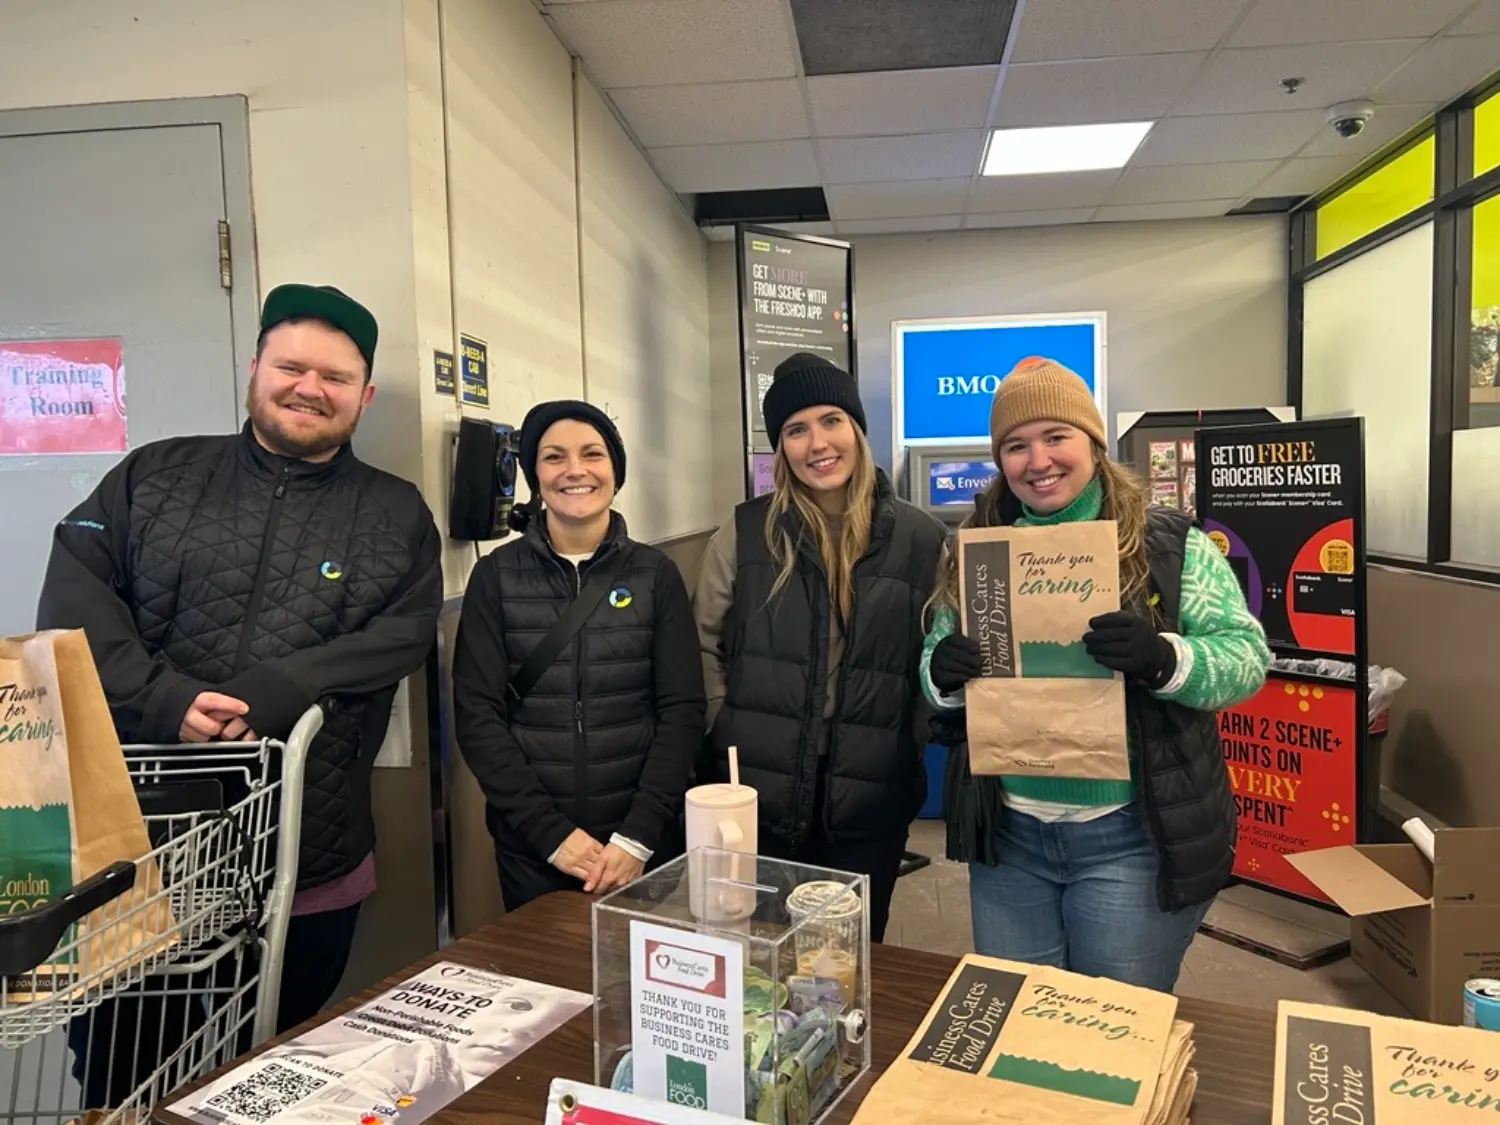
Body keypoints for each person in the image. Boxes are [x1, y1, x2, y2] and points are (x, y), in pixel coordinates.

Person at [37, 284, 442, 1098]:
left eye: (335, 377)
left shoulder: (396, 514)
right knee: (121, 1077)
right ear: (255, 366)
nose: (309, 387)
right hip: (137, 861)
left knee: (273, 1074)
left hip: (307, 856)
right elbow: (72, 597)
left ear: (362, 396)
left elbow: (403, 633)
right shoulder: (153, 476)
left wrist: (277, 688)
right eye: (292, 364)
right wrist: (163, 697)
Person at [921, 356, 1269, 991]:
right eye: (1017, 446)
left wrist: (1167, 659)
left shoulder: (1167, 544)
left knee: (1114, 1033)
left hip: (1131, 839)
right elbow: (937, 660)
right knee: (1019, 1024)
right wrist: (941, 674)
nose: (1039, 460)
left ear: (1093, 444)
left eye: (1057, 437)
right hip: (1009, 836)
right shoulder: (977, 547)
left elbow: (1247, 658)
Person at [693, 353, 947, 943]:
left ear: (855, 429)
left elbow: (936, 656)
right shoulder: (745, 531)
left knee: (850, 961)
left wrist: (909, 739)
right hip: (757, 792)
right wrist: (721, 725)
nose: (817, 443)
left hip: (870, 794)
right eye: (795, 429)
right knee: (758, 957)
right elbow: (702, 642)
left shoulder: (922, 539)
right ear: (780, 447)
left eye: (831, 420)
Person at [453, 400, 704, 911]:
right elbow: (477, 715)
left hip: (642, 845)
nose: (575, 470)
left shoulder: (655, 576)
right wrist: (550, 835)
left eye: (593, 453)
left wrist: (637, 835)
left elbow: (682, 711)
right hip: (533, 848)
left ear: (615, 470)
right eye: (553, 457)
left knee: (641, 983)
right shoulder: (496, 577)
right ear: (533, 474)